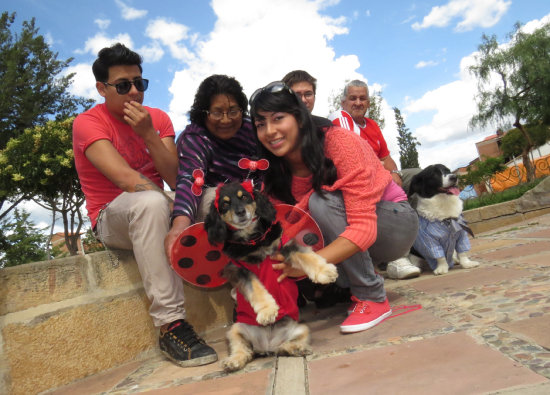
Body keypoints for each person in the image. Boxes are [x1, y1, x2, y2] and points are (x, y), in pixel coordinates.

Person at [73, 43, 217, 368]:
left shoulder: (158, 119)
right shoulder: (88, 123)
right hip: (113, 218)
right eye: (123, 86)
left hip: (157, 206)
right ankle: (171, 326)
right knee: (150, 202)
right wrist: (175, 208)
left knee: (213, 198)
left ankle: (249, 294)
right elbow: (126, 179)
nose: (135, 92)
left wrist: (149, 134)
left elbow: (176, 176)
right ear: (102, 88)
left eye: (140, 83)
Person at [249, 81, 419, 333]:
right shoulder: (276, 169)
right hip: (354, 230)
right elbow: (279, 227)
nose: (270, 131)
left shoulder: (339, 142)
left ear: (299, 118)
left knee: (321, 201)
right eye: (261, 124)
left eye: (278, 118)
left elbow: (363, 228)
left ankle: (372, 296)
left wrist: (308, 263)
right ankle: (352, 285)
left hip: (394, 225)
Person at [330, 80, 421, 280]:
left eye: (362, 98)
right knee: (378, 187)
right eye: (352, 98)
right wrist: (384, 173)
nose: (357, 102)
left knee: (417, 176)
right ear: (343, 102)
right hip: (362, 176)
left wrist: (395, 172)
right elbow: (356, 158)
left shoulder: (372, 125)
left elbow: (386, 156)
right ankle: (395, 257)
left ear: (368, 103)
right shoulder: (341, 121)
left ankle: (418, 243)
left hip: (383, 171)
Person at [165, 74, 263, 259]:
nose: (226, 120)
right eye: (217, 113)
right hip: (222, 207)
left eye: (233, 111)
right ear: (204, 113)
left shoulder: (254, 129)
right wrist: (180, 226)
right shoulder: (195, 138)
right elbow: (190, 180)